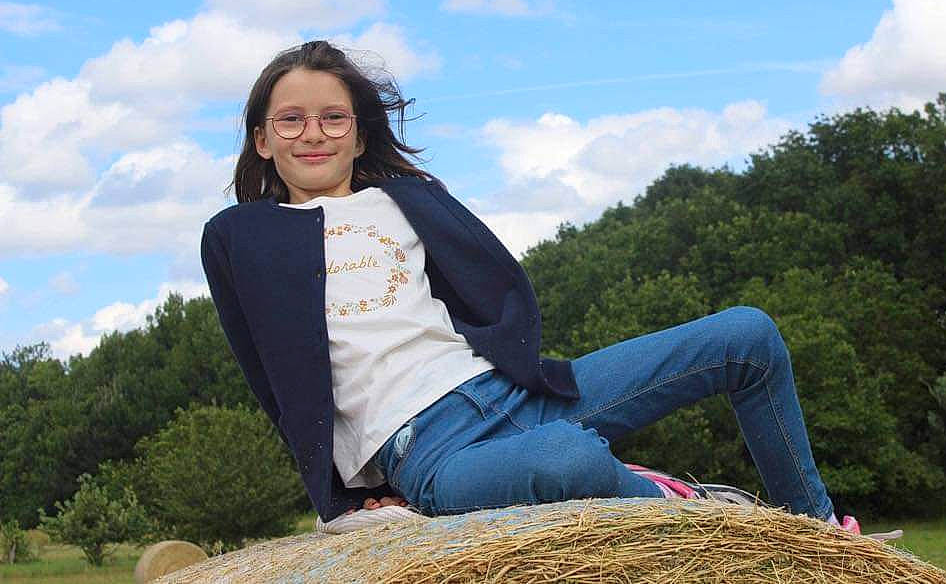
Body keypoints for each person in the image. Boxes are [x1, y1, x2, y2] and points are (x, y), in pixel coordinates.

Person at [200, 40, 861, 535]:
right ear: (261, 139)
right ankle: (684, 510)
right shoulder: (241, 236)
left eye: (332, 118)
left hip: (513, 393)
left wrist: (521, 365)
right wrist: (339, 497)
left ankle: (819, 537)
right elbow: (271, 375)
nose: (312, 133)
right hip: (432, 452)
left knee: (746, 334)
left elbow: (491, 290)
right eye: (290, 120)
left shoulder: (408, 201)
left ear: (358, 132)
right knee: (569, 459)